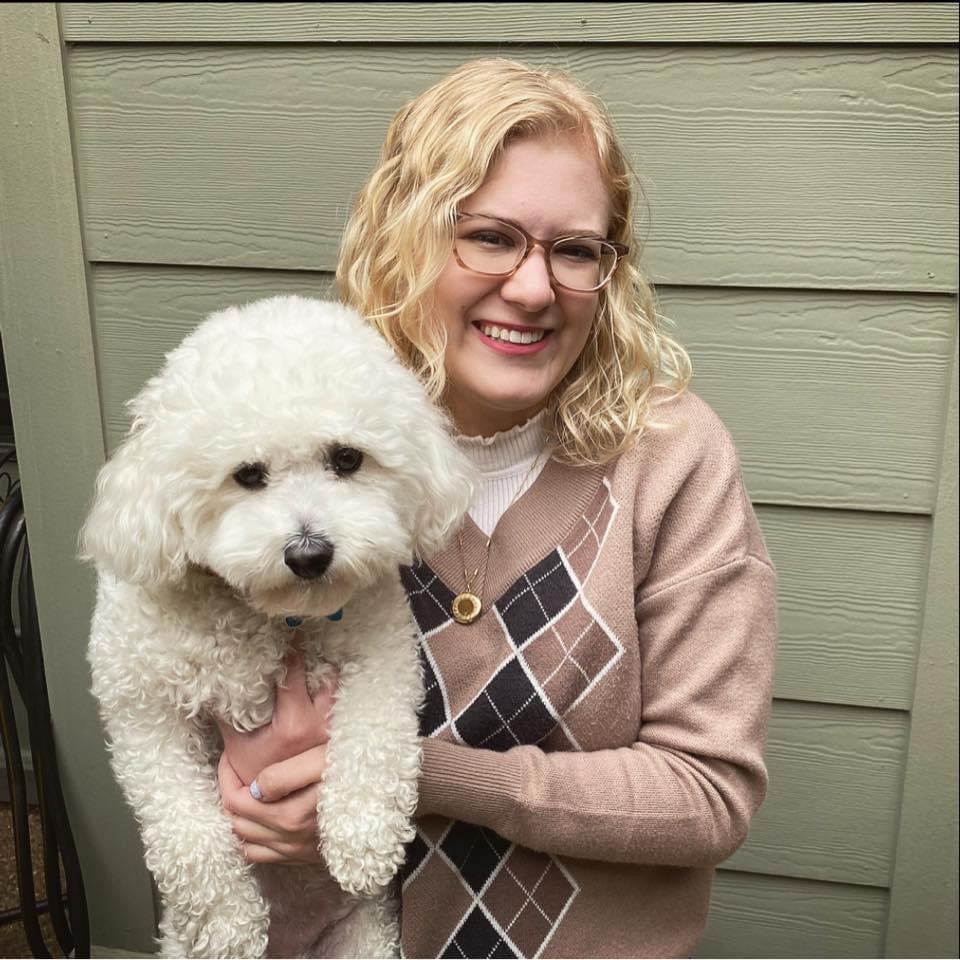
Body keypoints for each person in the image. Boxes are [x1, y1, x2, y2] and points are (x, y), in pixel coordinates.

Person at [218, 58, 778, 959]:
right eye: (489, 236)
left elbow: (707, 794)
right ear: (406, 235)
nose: (531, 287)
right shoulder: (301, 440)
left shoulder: (671, 457)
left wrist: (416, 774)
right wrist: (251, 802)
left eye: (574, 249)